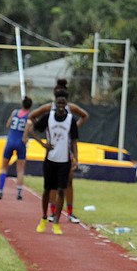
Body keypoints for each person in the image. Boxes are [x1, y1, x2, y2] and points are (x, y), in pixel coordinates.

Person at [28, 79, 89, 223]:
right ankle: (53, 212)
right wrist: (47, 131)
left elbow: (85, 115)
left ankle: (69, 212)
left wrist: (73, 129)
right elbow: (32, 117)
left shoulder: (71, 108)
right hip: (53, 150)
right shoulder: (49, 108)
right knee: (52, 184)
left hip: (67, 150)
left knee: (68, 182)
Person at [0, 97, 33, 200]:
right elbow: (29, 127)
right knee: (20, 169)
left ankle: (0, 191)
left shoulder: (15, 112)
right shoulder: (29, 116)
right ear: (30, 106)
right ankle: (19, 193)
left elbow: (8, 124)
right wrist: (25, 137)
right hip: (20, 143)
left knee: (4, 167)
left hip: (10, 141)